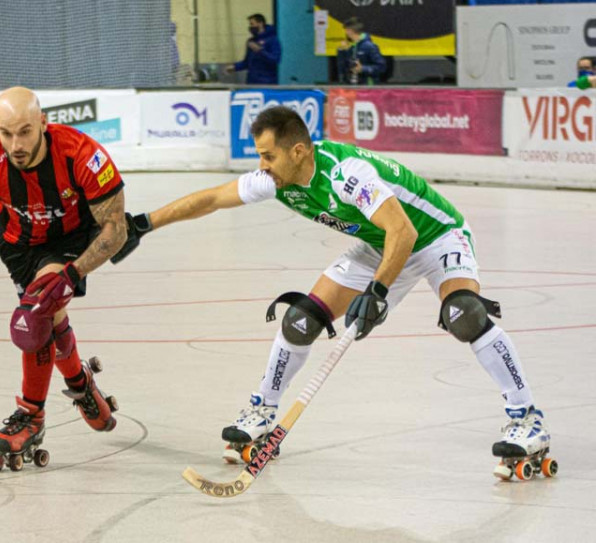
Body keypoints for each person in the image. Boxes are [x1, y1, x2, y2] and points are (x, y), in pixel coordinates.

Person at [112, 106, 551, 477]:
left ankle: (528, 419)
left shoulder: (346, 175)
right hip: (380, 243)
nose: (261, 167)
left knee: (463, 314)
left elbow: (405, 229)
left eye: (268, 156)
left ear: (298, 151)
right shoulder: (277, 180)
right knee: (300, 320)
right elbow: (212, 199)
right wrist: (145, 223)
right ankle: (262, 411)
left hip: (436, 237)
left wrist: (378, 291)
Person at [0, 87, 126, 468]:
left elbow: (115, 229)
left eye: (25, 131)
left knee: (35, 313)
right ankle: (81, 383)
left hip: (73, 240)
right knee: (48, 318)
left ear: (43, 122)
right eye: (6, 133)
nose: (16, 144)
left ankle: (30, 417)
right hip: (19, 244)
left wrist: (71, 274)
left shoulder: (81, 155)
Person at [225, 14, 281, 85]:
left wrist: (260, 51)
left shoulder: (272, 40)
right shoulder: (251, 41)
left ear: (260, 23)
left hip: (267, 81)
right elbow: (247, 62)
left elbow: (275, 59)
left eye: (252, 24)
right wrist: (235, 67)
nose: (250, 27)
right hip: (252, 81)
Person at [336, 17, 386, 85]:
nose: (346, 33)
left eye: (346, 30)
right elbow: (342, 69)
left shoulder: (369, 46)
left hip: (367, 86)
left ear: (350, 31)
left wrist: (363, 69)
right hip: (352, 84)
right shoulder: (349, 47)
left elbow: (381, 67)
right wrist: (342, 51)